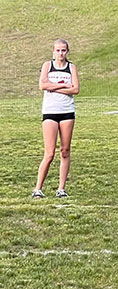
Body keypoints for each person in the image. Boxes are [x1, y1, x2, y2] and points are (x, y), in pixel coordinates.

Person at [33, 39, 79, 199]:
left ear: (67, 51)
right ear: (53, 51)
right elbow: (43, 86)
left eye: (64, 50)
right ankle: (38, 189)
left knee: (65, 151)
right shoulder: (48, 66)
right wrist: (64, 86)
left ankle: (61, 189)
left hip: (67, 112)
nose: (61, 53)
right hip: (50, 112)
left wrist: (54, 86)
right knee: (49, 153)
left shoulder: (71, 67)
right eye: (58, 50)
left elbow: (76, 89)